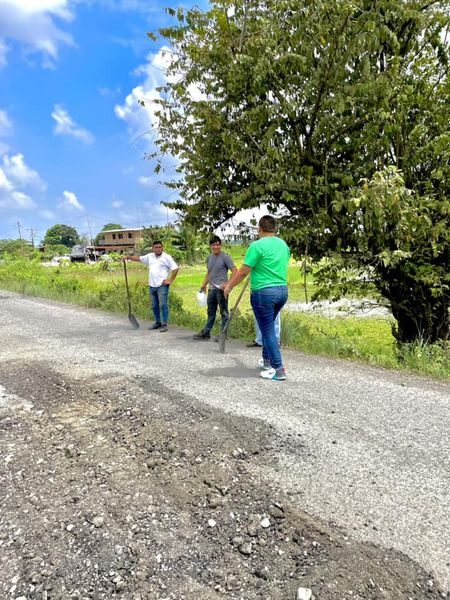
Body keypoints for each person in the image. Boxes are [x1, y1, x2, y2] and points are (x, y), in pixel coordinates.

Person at [224, 215, 290, 381]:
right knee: (268, 327)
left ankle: (278, 369)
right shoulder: (283, 244)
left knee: (267, 331)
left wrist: (229, 286)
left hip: (263, 293)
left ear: (259, 229)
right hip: (282, 291)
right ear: (274, 229)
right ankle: (266, 361)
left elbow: (243, 271)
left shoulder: (257, 245)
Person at [123, 240, 178, 333]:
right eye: (156, 247)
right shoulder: (150, 256)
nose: (158, 249)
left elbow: (175, 268)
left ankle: (164, 324)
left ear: (162, 248)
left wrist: (170, 280)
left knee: (163, 305)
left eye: (160, 247)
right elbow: (139, 258)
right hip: (152, 285)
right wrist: (128, 257)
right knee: (154, 306)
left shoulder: (167, 257)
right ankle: (157, 322)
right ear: (153, 249)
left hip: (162, 286)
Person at [193, 235, 237, 340]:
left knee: (224, 312)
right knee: (210, 312)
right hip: (211, 289)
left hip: (221, 290)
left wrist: (228, 284)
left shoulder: (225, 257)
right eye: (213, 245)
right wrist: (203, 285)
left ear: (220, 245)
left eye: (218, 245)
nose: (216, 247)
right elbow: (209, 273)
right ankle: (206, 332)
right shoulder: (209, 258)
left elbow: (235, 271)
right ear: (210, 246)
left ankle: (223, 334)